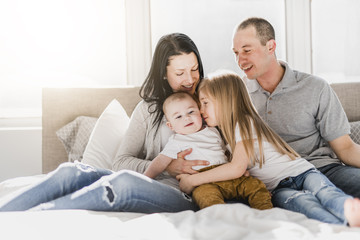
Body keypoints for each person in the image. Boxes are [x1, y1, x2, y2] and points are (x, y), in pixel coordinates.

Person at [0, 33, 209, 213]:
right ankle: (6, 216)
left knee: (123, 183)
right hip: (150, 180)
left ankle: (32, 217)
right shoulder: (148, 110)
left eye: (194, 69)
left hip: (181, 194)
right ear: (164, 74)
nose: (190, 80)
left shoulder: (210, 101)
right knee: (71, 172)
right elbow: (120, 162)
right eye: (180, 73)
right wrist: (167, 167)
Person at [176, 71, 360, 226]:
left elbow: (236, 168)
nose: (201, 110)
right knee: (305, 205)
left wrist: (194, 181)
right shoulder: (224, 139)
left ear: (225, 101)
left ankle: (348, 211)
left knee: (326, 192)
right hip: (277, 188)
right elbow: (235, 171)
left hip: (302, 172)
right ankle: (339, 228)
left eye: (205, 103)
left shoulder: (244, 123)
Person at [231, 17, 360, 198]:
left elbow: (345, 147)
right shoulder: (237, 94)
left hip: (323, 169)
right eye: (236, 53)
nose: (240, 60)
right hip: (276, 180)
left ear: (270, 46)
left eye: (247, 51)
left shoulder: (315, 87)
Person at [144, 92, 273, 210]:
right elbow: (160, 161)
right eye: (178, 117)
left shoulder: (213, 130)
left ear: (200, 113)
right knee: (205, 197)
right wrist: (145, 178)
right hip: (202, 181)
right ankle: (222, 221)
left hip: (224, 173)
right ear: (170, 126)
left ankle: (265, 212)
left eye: (191, 112)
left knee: (255, 186)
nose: (187, 118)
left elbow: (225, 152)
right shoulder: (176, 141)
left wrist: (239, 170)